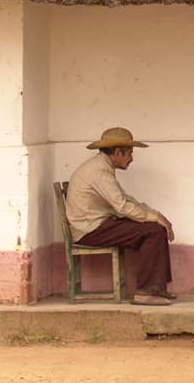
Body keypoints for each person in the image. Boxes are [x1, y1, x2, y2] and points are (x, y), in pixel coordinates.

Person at [65, 127, 176, 306]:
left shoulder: (102, 167)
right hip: (90, 230)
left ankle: (157, 288)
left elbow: (123, 198)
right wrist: (153, 217)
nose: (131, 158)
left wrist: (155, 214)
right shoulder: (99, 170)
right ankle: (145, 293)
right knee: (154, 231)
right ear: (117, 152)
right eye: (129, 153)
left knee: (155, 228)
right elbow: (122, 207)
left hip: (100, 224)